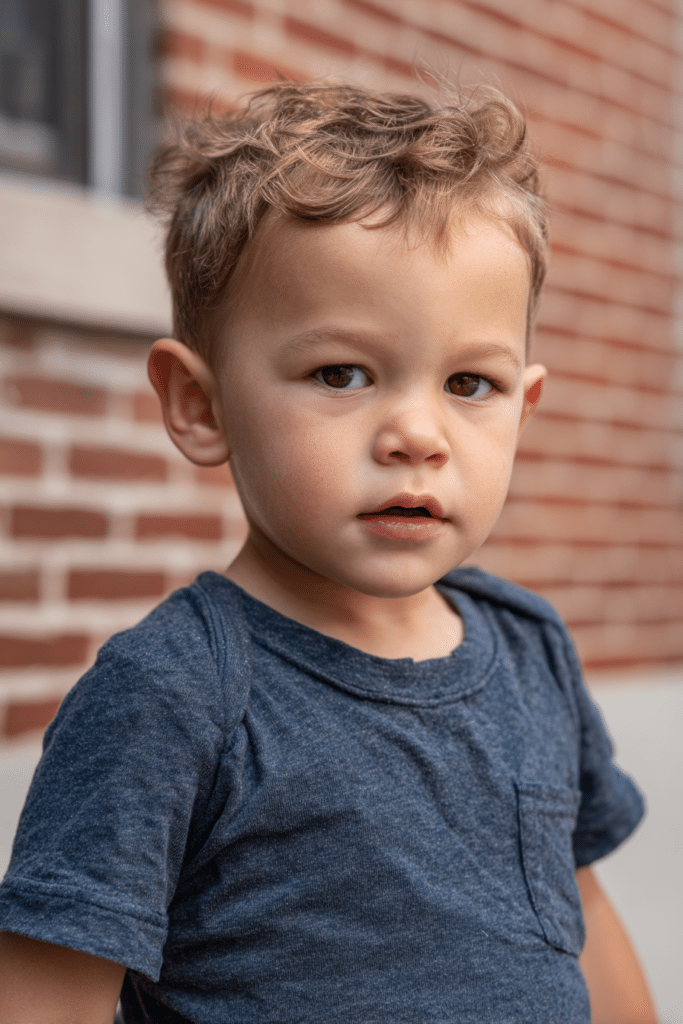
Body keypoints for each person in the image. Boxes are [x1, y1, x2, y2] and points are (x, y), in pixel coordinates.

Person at [0, 80, 658, 1024]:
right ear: (200, 405)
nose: (416, 435)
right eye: (341, 373)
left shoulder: (529, 649)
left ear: (524, 408)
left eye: (469, 384)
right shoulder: (173, 695)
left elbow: (581, 914)